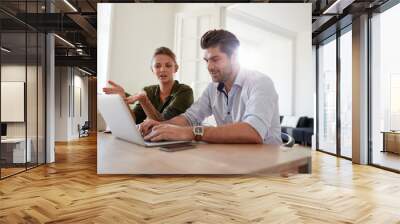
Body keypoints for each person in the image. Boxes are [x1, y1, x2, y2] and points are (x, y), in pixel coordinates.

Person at [140, 29, 282, 145]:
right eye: (207, 61)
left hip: (266, 163)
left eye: (215, 59)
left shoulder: (260, 83)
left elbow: (253, 132)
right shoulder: (212, 89)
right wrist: (163, 126)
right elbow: (189, 118)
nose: (209, 67)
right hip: (230, 158)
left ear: (234, 57)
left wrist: (193, 132)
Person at [103, 47, 194, 124]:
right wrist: (123, 99)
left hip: (179, 142)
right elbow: (134, 120)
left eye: (168, 65)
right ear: (152, 69)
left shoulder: (185, 91)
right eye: (157, 66)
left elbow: (162, 123)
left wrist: (144, 101)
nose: (162, 69)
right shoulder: (148, 91)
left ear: (176, 68)